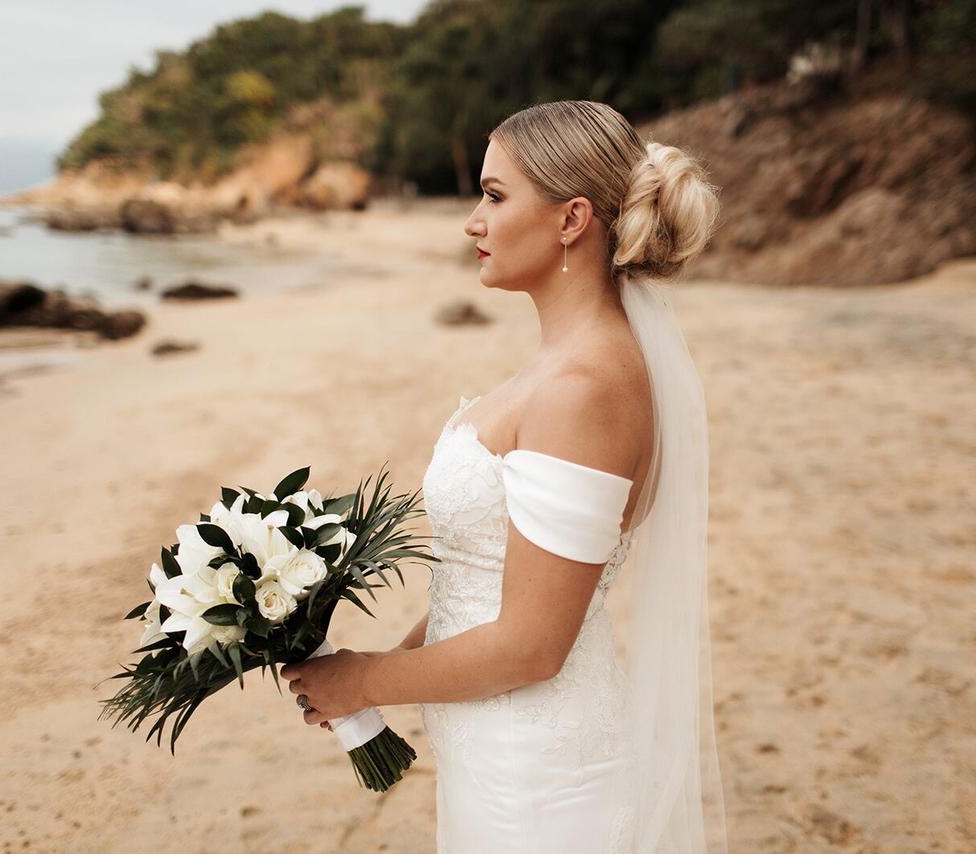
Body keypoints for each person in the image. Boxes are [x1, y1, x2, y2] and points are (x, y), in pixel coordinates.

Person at [280, 100, 728, 853]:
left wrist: (364, 682)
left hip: (541, 779)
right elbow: (486, 585)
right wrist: (377, 667)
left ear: (570, 218)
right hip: (497, 756)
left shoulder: (584, 387)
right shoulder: (564, 366)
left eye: (493, 195)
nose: (472, 221)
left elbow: (531, 644)